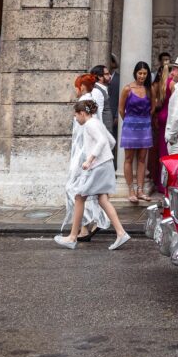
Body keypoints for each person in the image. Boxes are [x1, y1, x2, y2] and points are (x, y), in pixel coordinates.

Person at [54, 99, 130, 250]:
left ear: (82, 113)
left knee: (79, 196)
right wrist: (103, 156)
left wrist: (90, 159)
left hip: (98, 167)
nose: (75, 118)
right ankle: (121, 233)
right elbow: (111, 141)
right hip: (105, 164)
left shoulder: (89, 125)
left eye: (76, 115)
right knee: (102, 199)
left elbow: (102, 141)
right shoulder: (97, 123)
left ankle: (72, 237)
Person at [62, 76, 111, 240]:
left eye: (76, 86)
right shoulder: (92, 101)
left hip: (82, 154)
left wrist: (86, 158)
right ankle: (89, 225)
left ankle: (86, 227)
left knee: (74, 190)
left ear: (82, 87)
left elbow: (80, 135)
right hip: (88, 153)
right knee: (89, 193)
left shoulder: (83, 104)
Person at [119, 61, 154, 203]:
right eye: (140, 73)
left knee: (142, 159)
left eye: (145, 73)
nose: (142, 76)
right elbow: (121, 109)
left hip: (145, 125)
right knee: (128, 158)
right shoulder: (127, 89)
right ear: (135, 73)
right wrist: (129, 121)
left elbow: (153, 108)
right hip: (130, 125)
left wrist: (144, 120)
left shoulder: (149, 89)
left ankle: (140, 190)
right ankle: (131, 190)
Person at [151, 58, 173, 193]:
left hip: (161, 116)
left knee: (162, 150)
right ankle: (167, 184)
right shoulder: (172, 84)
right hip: (169, 115)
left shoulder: (160, 84)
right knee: (168, 151)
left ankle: (160, 183)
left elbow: (158, 103)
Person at [90, 64, 114, 130]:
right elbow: (98, 113)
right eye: (107, 74)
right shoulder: (97, 91)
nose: (110, 76)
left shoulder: (102, 89)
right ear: (100, 77)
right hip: (102, 131)